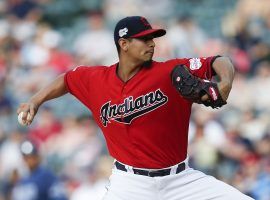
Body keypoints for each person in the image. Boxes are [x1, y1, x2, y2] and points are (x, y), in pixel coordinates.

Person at [17, 16, 254, 200]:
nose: (152, 44)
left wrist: (225, 82)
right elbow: (67, 80)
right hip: (129, 185)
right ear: (124, 44)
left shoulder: (169, 72)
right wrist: (35, 100)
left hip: (181, 180)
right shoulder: (96, 79)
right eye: (145, 39)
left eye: (153, 38)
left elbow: (219, 61)